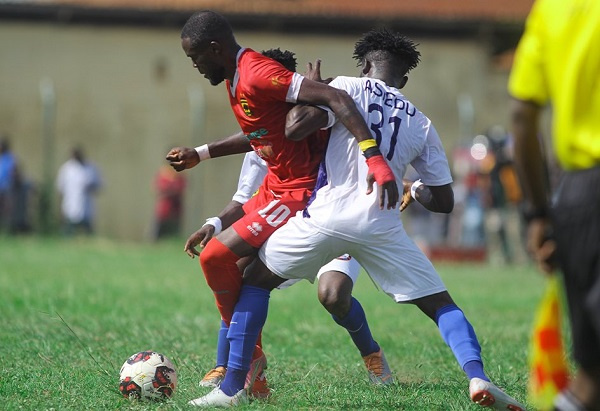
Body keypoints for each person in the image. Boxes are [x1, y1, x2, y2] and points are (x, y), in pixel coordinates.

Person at [188, 28, 525, 410]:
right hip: (381, 225)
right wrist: (412, 190)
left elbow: (294, 127)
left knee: (253, 282)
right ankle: (478, 377)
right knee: (442, 306)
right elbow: (445, 200)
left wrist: (310, 88)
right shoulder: (422, 122)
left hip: (326, 215)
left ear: (364, 65)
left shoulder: (345, 86)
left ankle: (232, 387)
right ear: (405, 78)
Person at [166, 10, 398, 398]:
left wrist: (373, 156)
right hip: (279, 190)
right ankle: (243, 371)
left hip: (309, 195)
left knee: (332, 295)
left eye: (195, 58)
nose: (194, 66)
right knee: (228, 264)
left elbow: (336, 99)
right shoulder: (237, 80)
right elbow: (256, 140)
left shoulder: (258, 74)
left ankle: (249, 365)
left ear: (215, 48)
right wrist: (201, 155)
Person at [508, 0, 600, 409]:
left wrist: (538, 212)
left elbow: (522, 118)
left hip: (586, 193)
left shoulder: (557, 9)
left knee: (592, 376)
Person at [56, 147, 102, 235]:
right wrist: (60, 209)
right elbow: (60, 189)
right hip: (70, 206)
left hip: (87, 207)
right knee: (69, 232)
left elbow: (98, 185)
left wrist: (91, 187)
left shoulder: (91, 168)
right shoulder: (66, 169)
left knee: (87, 233)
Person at [152, 164, 186, 240]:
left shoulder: (179, 176)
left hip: (175, 210)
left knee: (174, 234)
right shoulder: (163, 174)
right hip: (164, 210)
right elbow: (160, 189)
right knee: (157, 235)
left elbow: (180, 189)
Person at [0, 136, 17, 233]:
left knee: (7, 209)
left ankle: (8, 229)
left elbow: (13, 171)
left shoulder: (10, 157)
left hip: (6, 187)